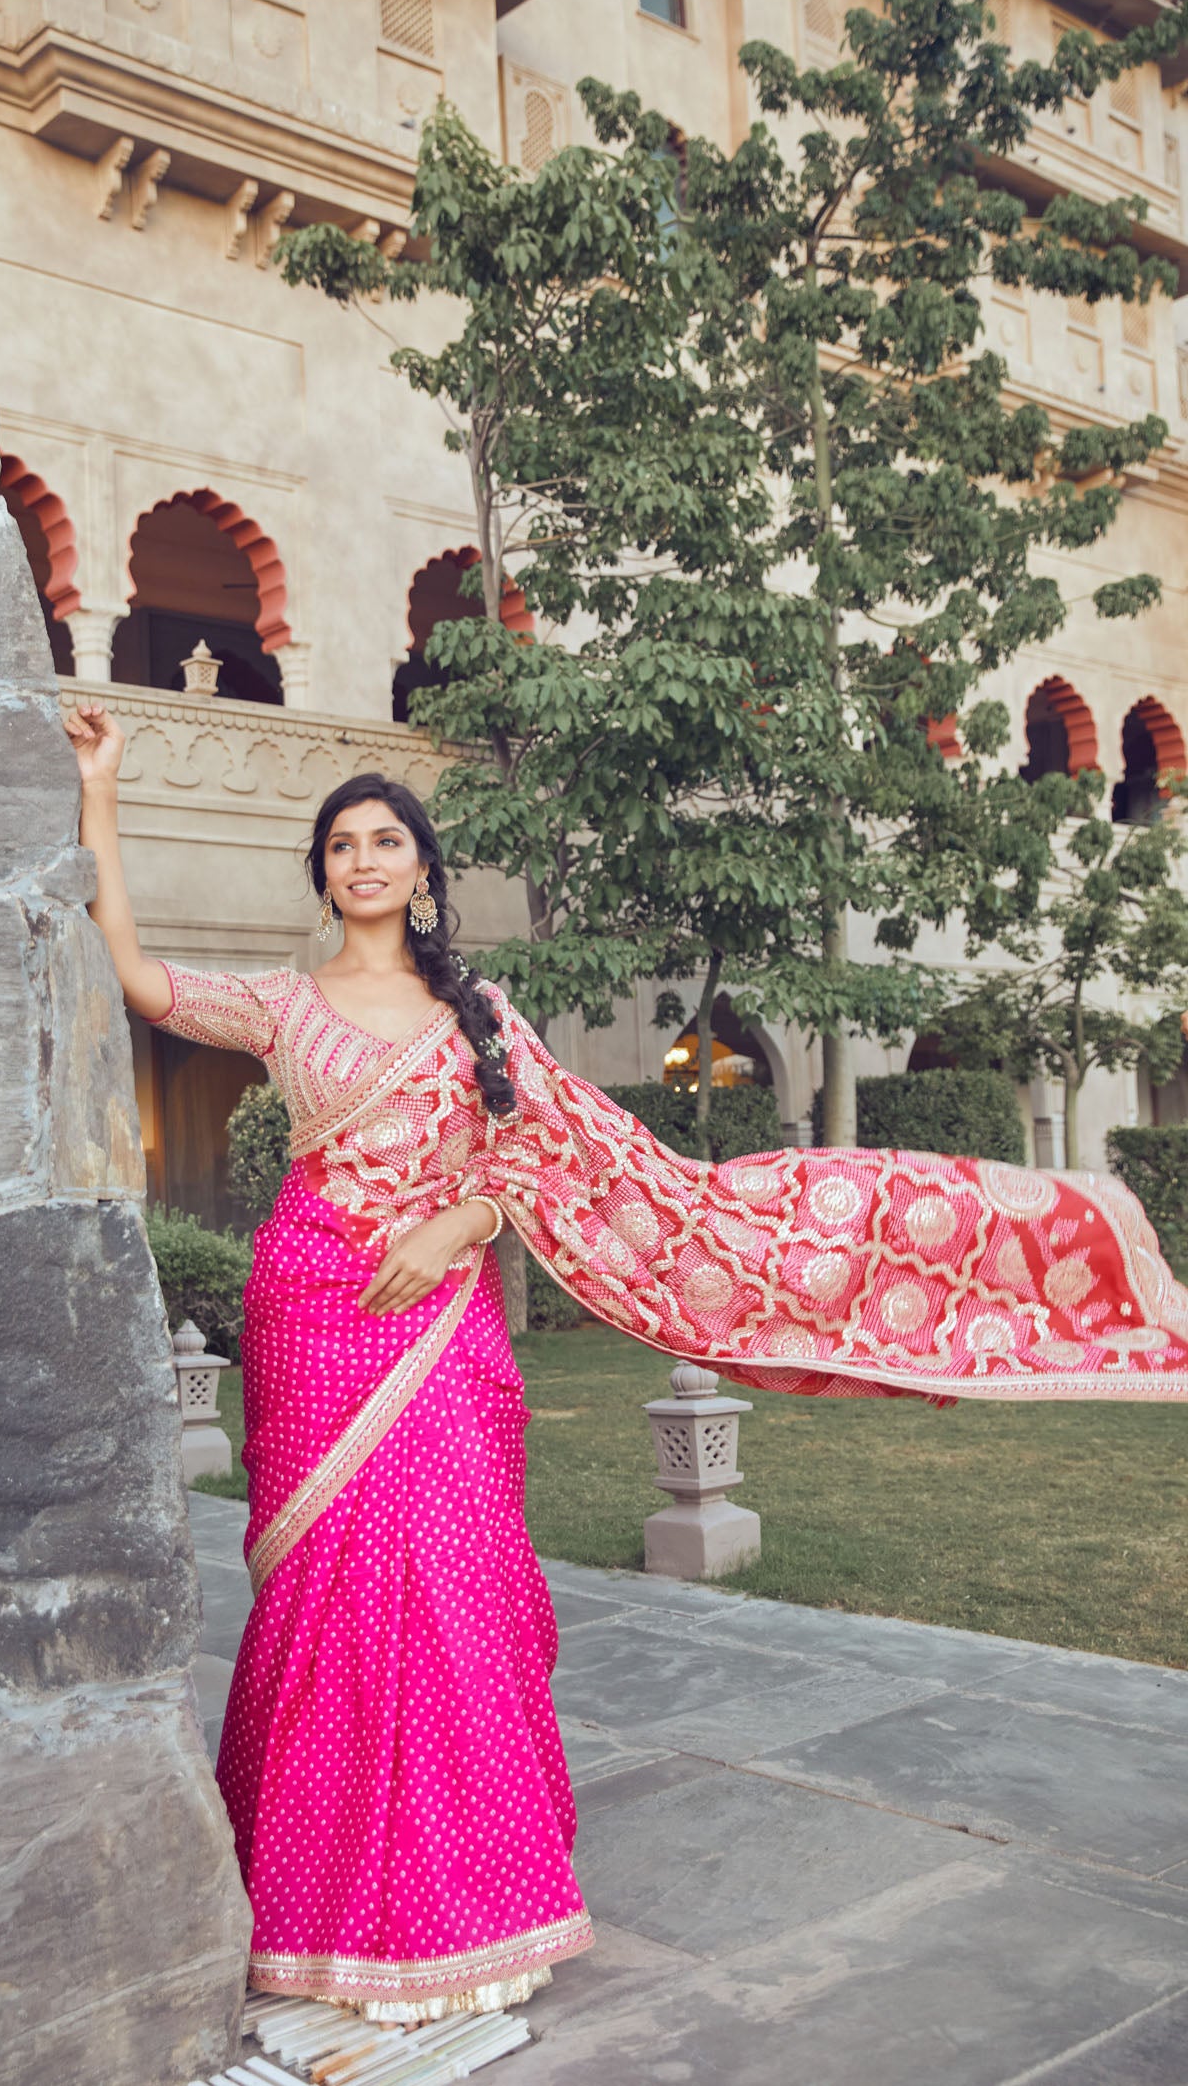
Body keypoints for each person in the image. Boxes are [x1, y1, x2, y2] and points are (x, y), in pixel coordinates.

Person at [64, 702, 1188, 2024]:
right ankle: (316, 1916)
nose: (364, 861)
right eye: (342, 846)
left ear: (423, 870)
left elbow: (542, 1158)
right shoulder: (281, 1001)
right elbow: (136, 974)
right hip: (315, 1310)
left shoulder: (482, 1011)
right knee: (327, 1596)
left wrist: (465, 1220)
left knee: (448, 1580)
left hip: (438, 1321)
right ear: (321, 874)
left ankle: (467, 1912)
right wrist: (103, 785)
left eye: (386, 841)